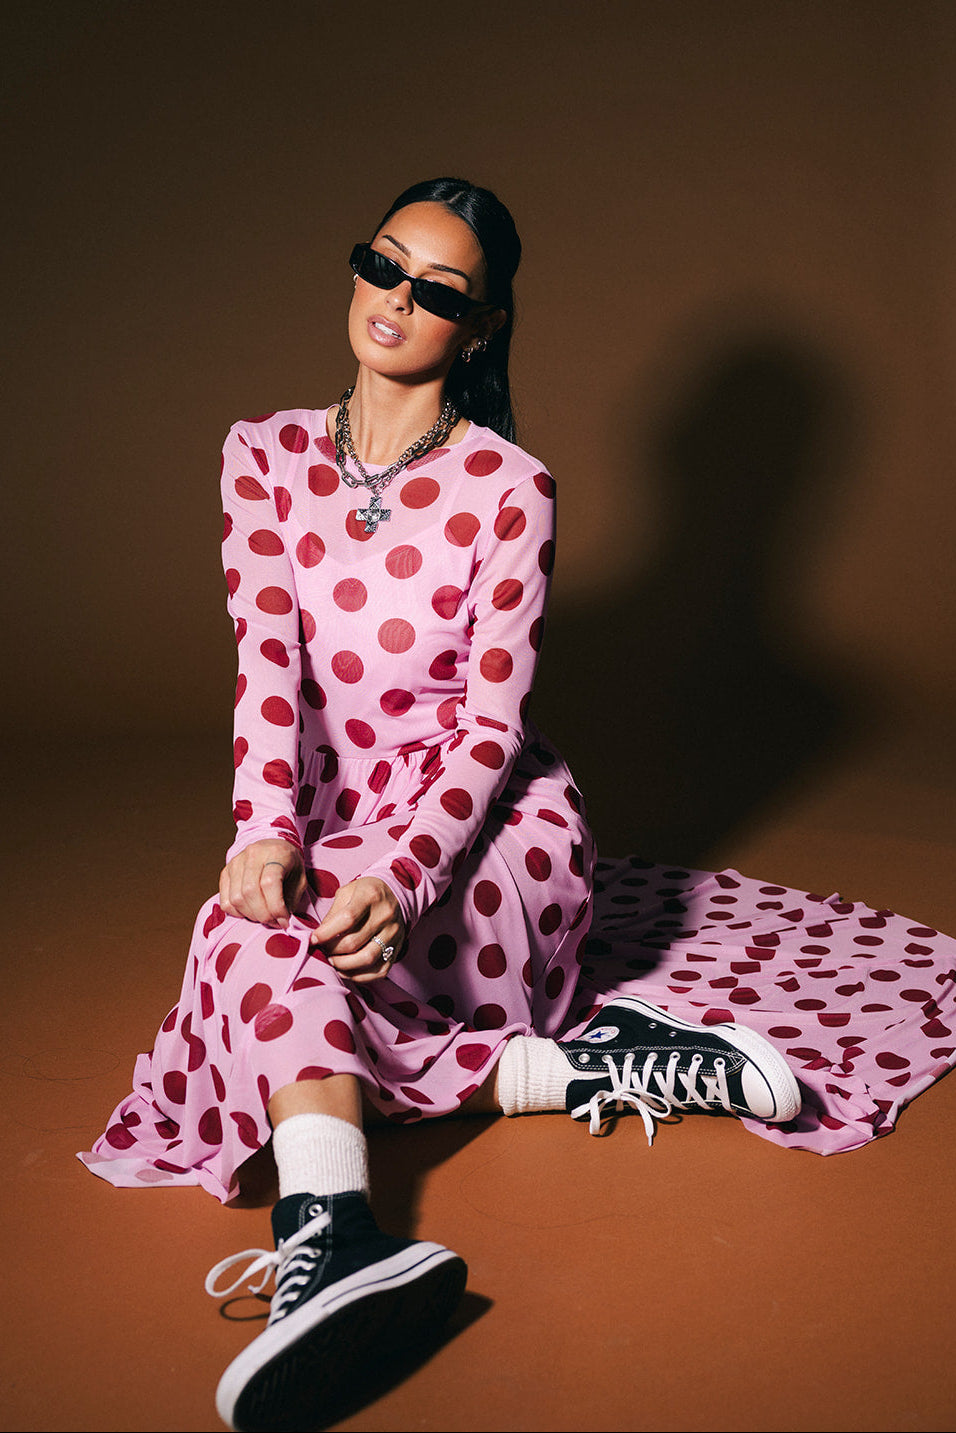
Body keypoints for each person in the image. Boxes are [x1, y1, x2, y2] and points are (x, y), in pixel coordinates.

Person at [79, 177, 956, 1433]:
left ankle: (336, 1220)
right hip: (327, 817)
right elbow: (266, 665)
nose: (396, 301)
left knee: (264, 964)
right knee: (250, 925)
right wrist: (264, 827)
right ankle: (366, 1217)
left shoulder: (508, 487)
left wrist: (406, 875)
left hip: (488, 830)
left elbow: (488, 734)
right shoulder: (260, 455)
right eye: (383, 267)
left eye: (437, 291)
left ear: (479, 326)